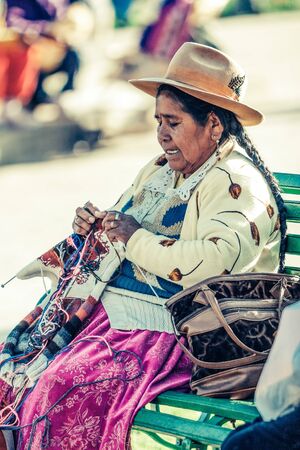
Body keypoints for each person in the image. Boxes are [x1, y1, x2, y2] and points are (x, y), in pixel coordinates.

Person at [0, 42, 286, 449]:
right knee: (15, 364)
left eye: (174, 122)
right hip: (120, 318)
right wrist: (96, 226)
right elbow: (123, 221)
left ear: (214, 126)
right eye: (158, 121)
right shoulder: (160, 169)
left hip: (181, 332)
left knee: (62, 384)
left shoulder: (236, 183)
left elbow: (213, 263)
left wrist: (133, 236)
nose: (162, 135)